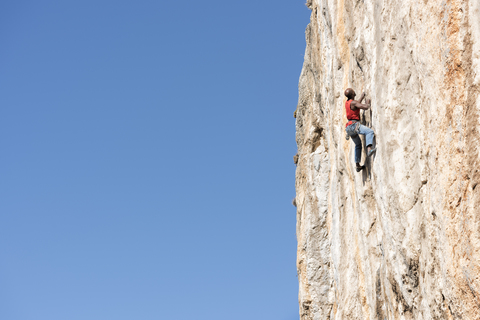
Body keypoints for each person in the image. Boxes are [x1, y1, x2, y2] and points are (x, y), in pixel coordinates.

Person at [344, 88, 376, 172]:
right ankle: (369, 149)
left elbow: (356, 104)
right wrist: (367, 102)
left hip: (349, 128)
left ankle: (357, 165)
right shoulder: (353, 103)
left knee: (358, 145)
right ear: (352, 94)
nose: (354, 91)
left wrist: (362, 96)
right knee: (369, 132)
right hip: (354, 125)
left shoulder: (348, 103)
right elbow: (365, 107)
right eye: (353, 91)